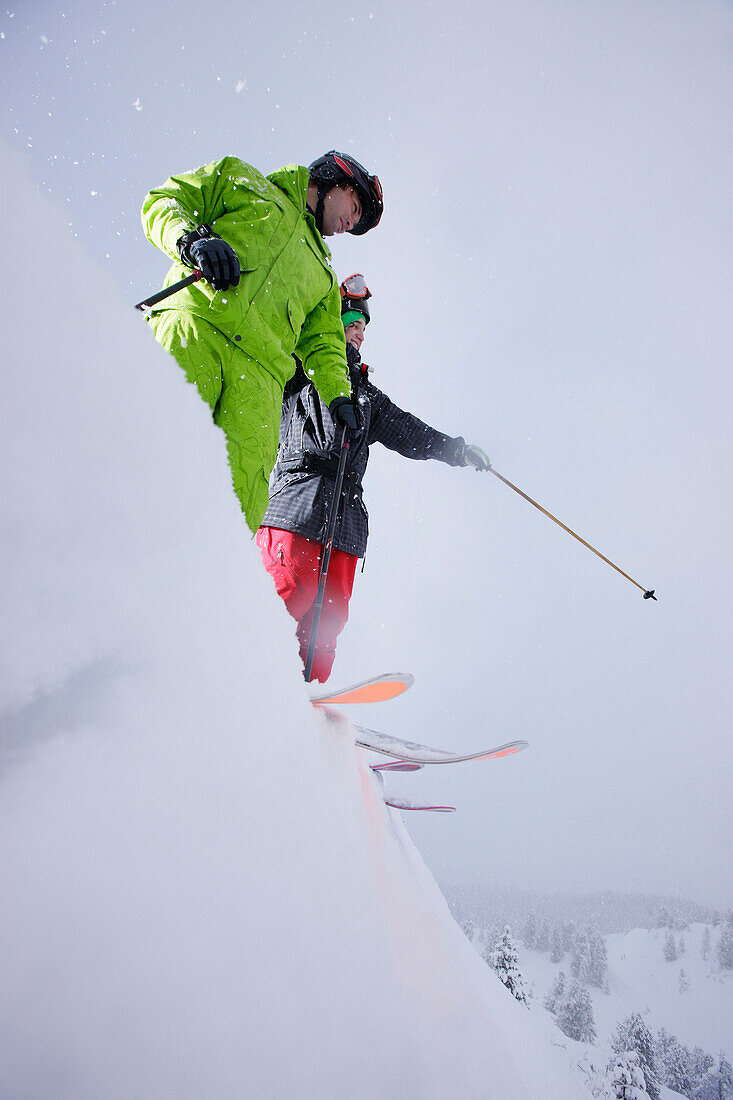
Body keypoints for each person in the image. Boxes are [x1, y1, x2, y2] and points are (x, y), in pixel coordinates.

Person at [257, 274, 491, 682]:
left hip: (345, 521)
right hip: (298, 505)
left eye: (363, 327)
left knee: (329, 619)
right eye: (351, 324)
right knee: (286, 594)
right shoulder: (298, 369)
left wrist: (454, 449)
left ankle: (304, 692)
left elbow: (408, 431)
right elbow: (271, 346)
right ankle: (246, 659)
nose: (359, 334)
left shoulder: (367, 396)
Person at [141, 151, 383, 532]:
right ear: (336, 180)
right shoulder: (244, 183)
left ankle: (193, 580)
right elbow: (165, 201)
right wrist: (190, 240)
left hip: (259, 384)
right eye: (353, 208)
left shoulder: (322, 275)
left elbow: (324, 343)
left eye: (354, 222)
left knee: (238, 503)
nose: (348, 224)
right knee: (148, 444)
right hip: (197, 330)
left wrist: (338, 396)